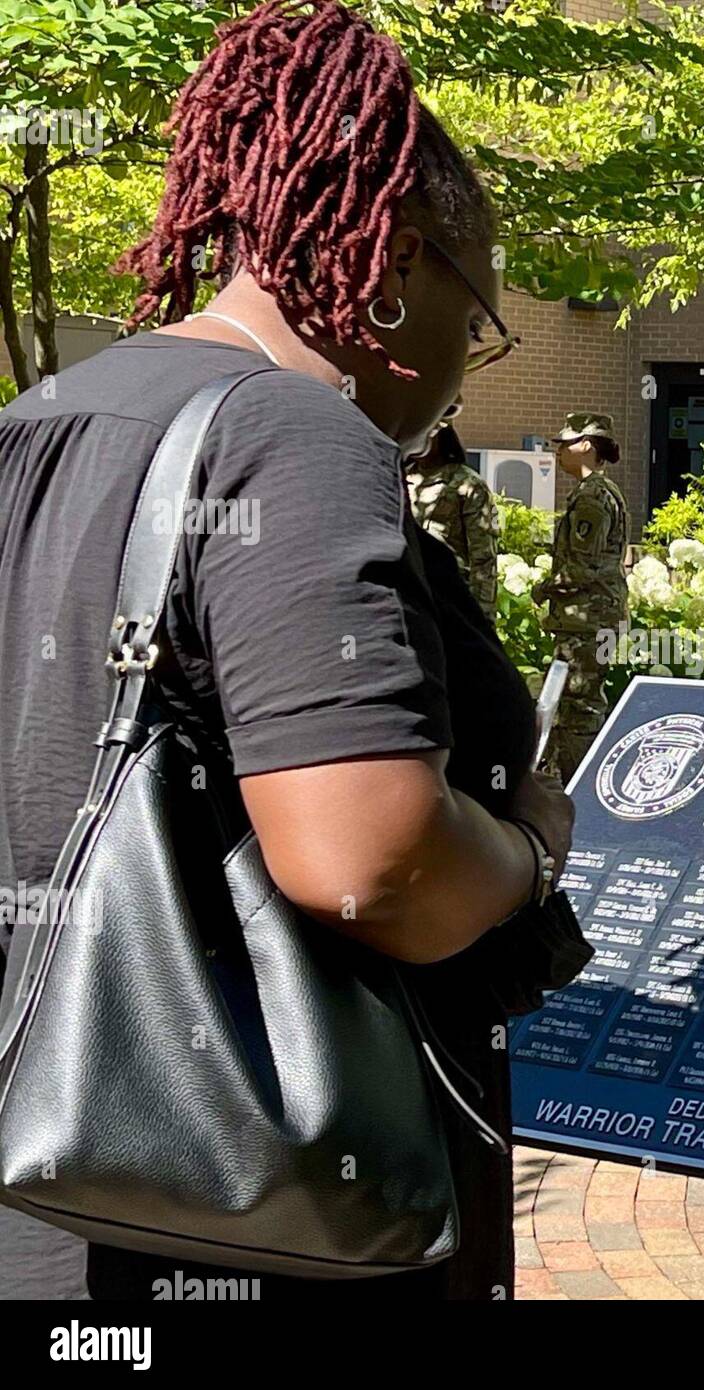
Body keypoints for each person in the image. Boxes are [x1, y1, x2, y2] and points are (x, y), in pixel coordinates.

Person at [0, 0, 572, 1301]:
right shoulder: (293, 435)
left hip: (47, 1208)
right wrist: (533, 845)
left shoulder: (35, 424)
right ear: (395, 265)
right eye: (473, 318)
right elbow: (368, 859)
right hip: (259, 1217)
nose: (465, 371)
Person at [533, 412, 629, 782]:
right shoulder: (602, 493)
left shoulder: (592, 498)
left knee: (578, 708)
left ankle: (578, 786)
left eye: (565, 444)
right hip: (592, 618)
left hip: (587, 620)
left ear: (587, 445)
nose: (558, 451)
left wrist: (542, 588)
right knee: (575, 703)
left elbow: (581, 568)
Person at [408, 422, 499, 621]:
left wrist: (482, 616)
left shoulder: (467, 484)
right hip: (410, 597)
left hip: (449, 598)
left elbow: (483, 557)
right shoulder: (400, 479)